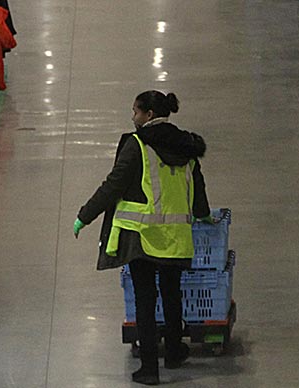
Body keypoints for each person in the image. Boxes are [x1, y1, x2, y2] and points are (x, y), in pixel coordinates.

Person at [74, 90, 210, 385]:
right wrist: (204, 214)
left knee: (145, 301)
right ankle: (174, 351)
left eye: (135, 112)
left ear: (148, 115)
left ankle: (150, 369)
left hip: (142, 237)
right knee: (173, 294)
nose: (132, 117)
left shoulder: (137, 145)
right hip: (175, 236)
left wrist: (85, 215)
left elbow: (114, 184)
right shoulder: (187, 146)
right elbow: (197, 188)